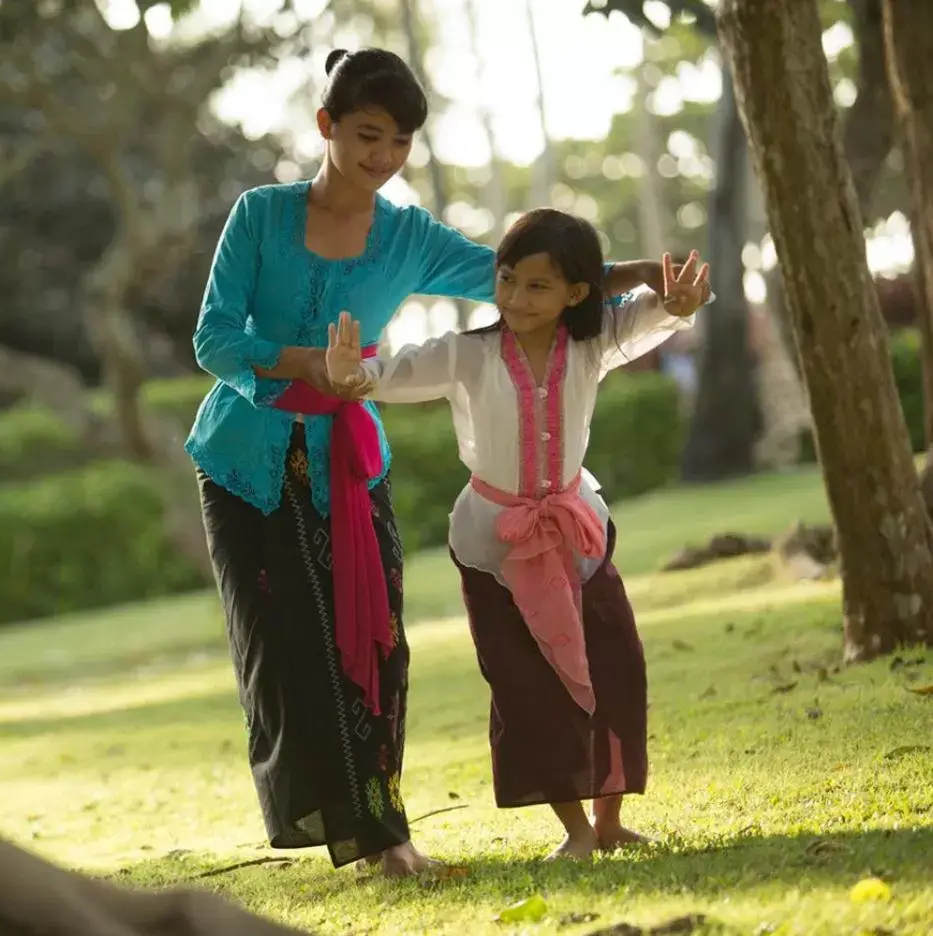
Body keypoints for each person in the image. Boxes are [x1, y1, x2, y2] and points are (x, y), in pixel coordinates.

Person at [187, 47, 670, 878]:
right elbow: (213, 340)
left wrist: (643, 277)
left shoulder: (407, 235)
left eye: (400, 142)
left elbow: (519, 274)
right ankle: (353, 833)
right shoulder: (259, 214)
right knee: (287, 651)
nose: (383, 157)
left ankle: (385, 832)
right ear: (325, 127)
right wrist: (309, 365)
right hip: (242, 462)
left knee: (374, 647)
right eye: (368, 135)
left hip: (348, 458)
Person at [324, 208, 710, 861]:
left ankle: (608, 820)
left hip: (576, 537)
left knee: (615, 669)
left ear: (576, 293)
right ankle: (576, 832)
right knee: (526, 687)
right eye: (507, 281)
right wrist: (352, 376)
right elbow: (394, 372)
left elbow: (660, 312)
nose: (515, 298)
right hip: (494, 548)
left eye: (536, 287)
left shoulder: (592, 342)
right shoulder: (468, 354)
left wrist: (675, 300)